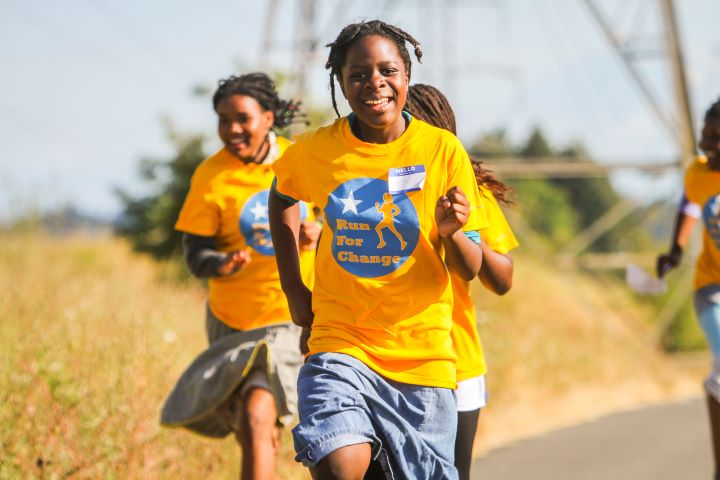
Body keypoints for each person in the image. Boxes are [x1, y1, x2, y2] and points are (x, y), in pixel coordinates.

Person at [268, 19, 487, 480]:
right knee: (339, 463)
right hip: (340, 344)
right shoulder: (317, 151)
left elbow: (469, 269)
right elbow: (282, 195)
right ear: (341, 84)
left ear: (407, 75)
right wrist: (295, 290)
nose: (375, 84)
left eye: (387, 70)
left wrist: (451, 232)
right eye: (358, 75)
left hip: (422, 360)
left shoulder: (442, 151)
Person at [160, 72, 318, 480]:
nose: (232, 129)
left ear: (268, 117)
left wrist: (320, 234)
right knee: (251, 426)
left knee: (255, 412)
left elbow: (335, 226)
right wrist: (223, 262)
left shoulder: (298, 162)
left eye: (242, 118)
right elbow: (195, 256)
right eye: (223, 120)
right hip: (231, 323)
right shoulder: (211, 176)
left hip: (290, 315)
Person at [404, 83, 518, 480]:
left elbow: (502, 279)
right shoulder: (373, 186)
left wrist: (466, 233)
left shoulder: (469, 193)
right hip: (383, 359)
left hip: (455, 364)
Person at [657, 97, 720, 479]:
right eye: (704, 133)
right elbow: (690, 206)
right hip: (711, 286)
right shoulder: (698, 174)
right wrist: (675, 250)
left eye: (716, 137)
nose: (705, 143)